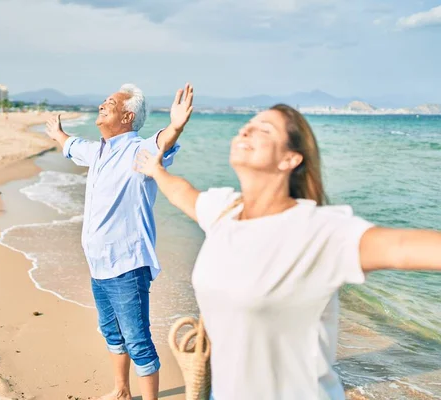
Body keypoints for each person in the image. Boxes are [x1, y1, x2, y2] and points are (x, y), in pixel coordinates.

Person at [133, 103, 441, 399]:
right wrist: (156, 170)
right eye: (246, 126)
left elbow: (401, 248)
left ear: (290, 159)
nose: (245, 131)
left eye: (263, 129)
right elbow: (183, 193)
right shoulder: (224, 211)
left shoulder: (317, 231)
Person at [44, 83, 194, 400]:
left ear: (127, 116)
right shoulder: (98, 150)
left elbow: (162, 142)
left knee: (138, 339)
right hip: (99, 265)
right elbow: (72, 145)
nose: (102, 104)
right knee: (112, 333)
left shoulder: (138, 150)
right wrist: (58, 134)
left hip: (127, 265)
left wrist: (176, 126)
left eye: (110, 102)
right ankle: (121, 391)